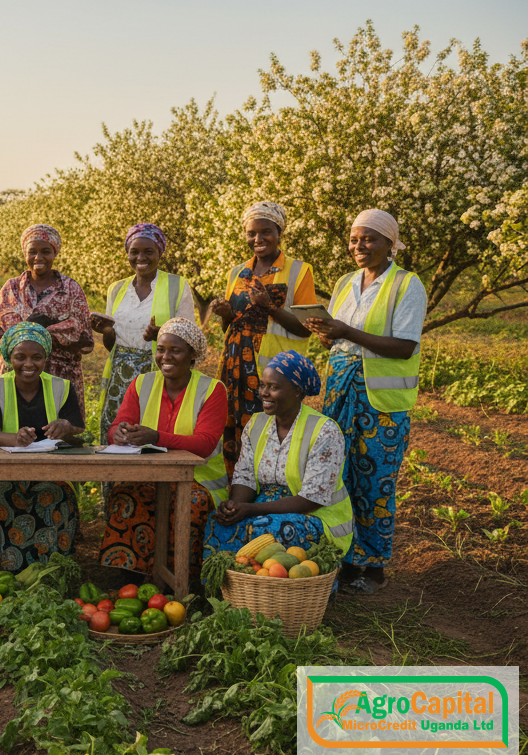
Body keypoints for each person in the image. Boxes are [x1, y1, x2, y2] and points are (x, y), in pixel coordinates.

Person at [304, 209, 425, 595]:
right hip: (340, 390)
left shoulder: (408, 285)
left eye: (370, 239)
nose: (360, 246)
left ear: (391, 244)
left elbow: (405, 347)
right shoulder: (345, 282)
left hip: (380, 401)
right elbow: (338, 337)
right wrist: (327, 334)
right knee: (337, 474)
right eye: (355, 239)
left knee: (375, 480)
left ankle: (372, 567)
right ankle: (342, 555)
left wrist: (345, 330)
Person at [98, 318, 228, 580]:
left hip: (198, 480)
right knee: (126, 494)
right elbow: (114, 428)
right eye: (161, 349)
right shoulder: (141, 383)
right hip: (150, 475)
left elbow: (204, 444)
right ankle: (128, 576)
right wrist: (120, 433)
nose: (165, 356)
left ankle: (180, 579)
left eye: (175, 350)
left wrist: (157, 437)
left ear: (193, 355)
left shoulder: (213, 390)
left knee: (192, 503)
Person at [203, 352, 353, 561]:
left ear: (297, 392)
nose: (264, 393)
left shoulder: (324, 431)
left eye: (273, 387)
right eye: (262, 385)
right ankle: (227, 590)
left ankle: (272, 592)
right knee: (219, 523)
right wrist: (235, 507)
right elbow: (244, 477)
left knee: (274, 529)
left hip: (315, 515)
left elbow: (311, 499)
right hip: (261, 506)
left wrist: (250, 510)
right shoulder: (256, 424)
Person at [207, 202, 317, 470]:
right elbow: (231, 327)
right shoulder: (237, 272)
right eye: (251, 233)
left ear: (279, 233)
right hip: (235, 371)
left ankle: (268, 497)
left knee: (271, 436)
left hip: (274, 373)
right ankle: (236, 493)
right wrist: (225, 314)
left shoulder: (299, 271)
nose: (258, 239)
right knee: (236, 434)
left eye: (266, 231)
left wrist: (270, 307)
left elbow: (306, 327)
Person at [0, 322, 86, 571]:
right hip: (5, 472)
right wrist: (14, 439)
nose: (29, 364)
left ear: (46, 358)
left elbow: (77, 431)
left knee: (58, 496)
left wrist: (66, 427)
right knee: (1, 495)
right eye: (20, 357)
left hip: (52, 473)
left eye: (36, 357)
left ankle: (53, 568)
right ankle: (10, 569)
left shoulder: (62, 387)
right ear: (8, 358)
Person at [93, 223, 196, 441]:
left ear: (160, 252)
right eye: (134, 252)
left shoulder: (177, 285)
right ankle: (114, 476)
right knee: (118, 430)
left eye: (148, 251)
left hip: (159, 371)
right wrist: (107, 331)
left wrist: (160, 335)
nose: (141, 257)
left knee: (149, 428)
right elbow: (113, 345)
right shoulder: (117, 288)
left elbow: (189, 336)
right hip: (120, 373)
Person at [0, 224, 95, 426]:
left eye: (46, 251)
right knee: (15, 434)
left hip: (61, 376)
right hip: (17, 376)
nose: (38, 257)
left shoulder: (70, 289)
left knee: (61, 437)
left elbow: (86, 340)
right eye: (32, 252)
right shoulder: (11, 288)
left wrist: (46, 333)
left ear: (55, 252)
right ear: (24, 253)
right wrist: (18, 337)